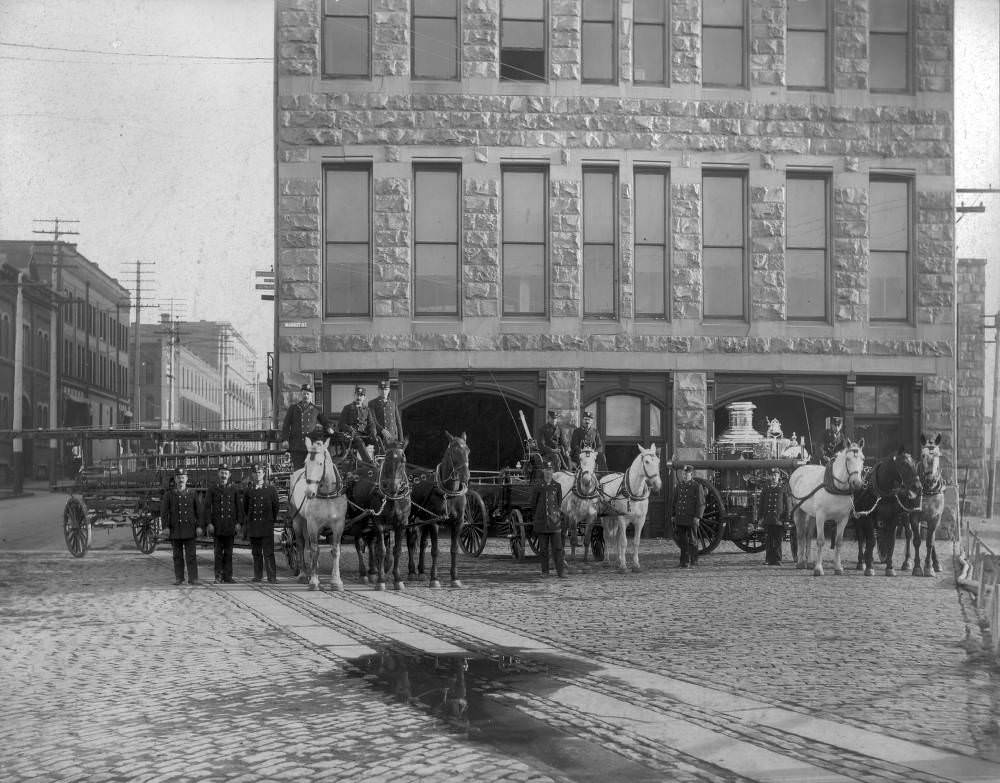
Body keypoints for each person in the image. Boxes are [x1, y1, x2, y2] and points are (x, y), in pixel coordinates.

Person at [160, 467, 202, 585]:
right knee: (177, 556)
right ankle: (179, 578)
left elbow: (199, 512)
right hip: (175, 529)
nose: (181, 480)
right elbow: (164, 513)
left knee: (191, 556)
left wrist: (199, 526)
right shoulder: (169, 495)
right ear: (175, 479)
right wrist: (166, 527)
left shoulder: (192, 494)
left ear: (186, 479)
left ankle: (193, 578)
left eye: (183, 477)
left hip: (189, 529)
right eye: (178, 478)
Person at [242, 463, 280, 583]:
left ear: (263, 474)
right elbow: (246, 507)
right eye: (255, 472)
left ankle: (272, 576)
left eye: (259, 472)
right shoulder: (248, 491)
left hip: (266, 525)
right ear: (252, 474)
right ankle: (258, 576)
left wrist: (270, 520)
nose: (257, 475)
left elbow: (276, 507)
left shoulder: (271, 489)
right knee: (256, 553)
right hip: (254, 525)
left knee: (269, 552)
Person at [205, 463, 241, 583]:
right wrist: (209, 523)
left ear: (229, 475)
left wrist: (238, 523)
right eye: (222, 473)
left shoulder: (234, 489)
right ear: (218, 474)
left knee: (229, 553)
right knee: (218, 553)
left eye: (226, 473)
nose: (223, 475)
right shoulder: (212, 489)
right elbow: (207, 507)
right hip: (217, 526)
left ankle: (228, 576)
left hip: (230, 525)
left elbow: (238, 507)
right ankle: (218, 577)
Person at [530, 460, 567, 578]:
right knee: (544, 549)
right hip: (542, 522)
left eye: (550, 470)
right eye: (546, 470)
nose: (548, 472)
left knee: (558, 548)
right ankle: (545, 572)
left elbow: (559, 503)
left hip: (554, 523)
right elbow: (533, 504)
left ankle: (560, 572)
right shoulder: (538, 486)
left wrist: (555, 515)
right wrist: (537, 517)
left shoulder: (557, 486)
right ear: (543, 471)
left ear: (553, 471)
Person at [280, 383, 321, 470]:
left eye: (307, 394)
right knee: (298, 471)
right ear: (300, 395)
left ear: (311, 396)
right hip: (296, 446)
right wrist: (285, 440)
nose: (305, 396)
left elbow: (324, 421)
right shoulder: (293, 408)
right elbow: (286, 425)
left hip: (311, 447)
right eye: (304, 393)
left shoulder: (316, 409)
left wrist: (329, 427)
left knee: (311, 471)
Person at [672, 465, 705, 568]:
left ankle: (694, 561)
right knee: (682, 541)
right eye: (683, 474)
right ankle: (684, 562)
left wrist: (697, 517)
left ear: (691, 474)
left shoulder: (696, 486)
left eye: (686, 474)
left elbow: (701, 503)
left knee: (693, 540)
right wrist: (673, 515)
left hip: (691, 518)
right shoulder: (679, 485)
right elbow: (675, 501)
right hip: (681, 517)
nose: (684, 476)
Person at [338, 385, 378, 463]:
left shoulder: (367, 409)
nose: (359, 397)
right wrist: (349, 429)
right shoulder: (347, 408)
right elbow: (341, 423)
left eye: (361, 395)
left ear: (364, 397)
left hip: (364, 435)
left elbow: (371, 424)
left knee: (378, 441)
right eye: (357, 395)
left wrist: (373, 432)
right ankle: (369, 463)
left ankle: (379, 462)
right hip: (350, 437)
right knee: (359, 441)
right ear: (354, 395)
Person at [758, 469, 787, 566]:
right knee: (769, 540)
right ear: (770, 477)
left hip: (779, 519)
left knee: (778, 540)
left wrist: (786, 518)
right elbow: (761, 504)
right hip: (768, 518)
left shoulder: (783, 488)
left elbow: (787, 505)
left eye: (776, 475)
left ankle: (778, 559)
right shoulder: (766, 488)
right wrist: (760, 517)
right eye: (773, 475)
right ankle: (768, 559)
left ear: (779, 477)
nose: (774, 477)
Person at [369, 378, 404, 449]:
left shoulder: (393, 404)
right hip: (380, 436)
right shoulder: (372, 403)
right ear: (378, 390)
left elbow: (398, 422)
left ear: (389, 390)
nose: (383, 392)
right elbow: (373, 419)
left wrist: (401, 440)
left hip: (393, 437)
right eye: (381, 389)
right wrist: (382, 429)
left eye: (385, 389)